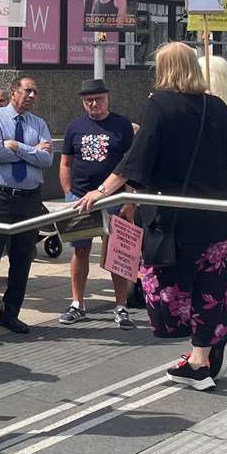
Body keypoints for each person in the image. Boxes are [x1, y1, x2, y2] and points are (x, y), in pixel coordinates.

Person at [73, 42, 227, 389]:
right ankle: (205, 351)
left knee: (166, 288)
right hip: (217, 216)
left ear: (164, 68)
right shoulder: (215, 105)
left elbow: (136, 158)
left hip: (173, 219)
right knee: (212, 286)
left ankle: (201, 355)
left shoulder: (158, 104)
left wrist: (103, 190)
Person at [0, 76, 52, 337]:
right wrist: (32, 150)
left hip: (29, 199)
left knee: (22, 258)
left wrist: (17, 146)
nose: (32, 96)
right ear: (14, 92)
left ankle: (11, 314)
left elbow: (47, 159)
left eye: (35, 92)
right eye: (28, 91)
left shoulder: (38, 123)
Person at [58, 80, 136, 328]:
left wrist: (129, 200)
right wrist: (69, 193)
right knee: (80, 251)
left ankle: (121, 306)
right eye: (88, 100)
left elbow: (130, 165)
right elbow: (65, 163)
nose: (93, 104)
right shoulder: (75, 126)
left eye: (98, 99)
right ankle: (77, 303)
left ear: (108, 98)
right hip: (81, 198)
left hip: (114, 199)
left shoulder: (122, 125)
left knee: (117, 252)